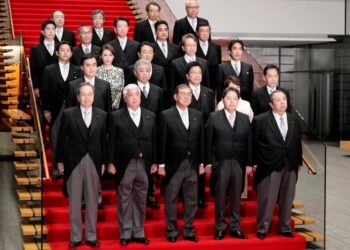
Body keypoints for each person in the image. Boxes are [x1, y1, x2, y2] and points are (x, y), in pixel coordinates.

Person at [56, 82, 107, 248]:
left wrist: (104, 162)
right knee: (75, 201)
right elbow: (61, 138)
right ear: (78, 97)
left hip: (94, 160)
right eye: (83, 94)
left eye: (90, 94)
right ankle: (75, 237)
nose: (87, 97)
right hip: (73, 161)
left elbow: (103, 141)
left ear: (94, 96)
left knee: (93, 200)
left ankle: (91, 236)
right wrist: (60, 161)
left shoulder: (102, 114)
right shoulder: (69, 114)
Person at [107, 84, 157, 246]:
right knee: (124, 199)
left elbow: (154, 141)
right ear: (124, 97)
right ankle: (125, 233)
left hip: (144, 163)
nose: (135, 97)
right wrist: (110, 162)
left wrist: (155, 161)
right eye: (131, 95)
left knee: (141, 199)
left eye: (137, 94)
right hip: (124, 163)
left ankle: (139, 231)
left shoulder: (150, 115)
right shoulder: (116, 116)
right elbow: (111, 142)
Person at [252, 90, 302, 240]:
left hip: (290, 164)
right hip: (268, 165)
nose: (282, 102)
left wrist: (298, 161)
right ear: (271, 104)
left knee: (287, 198)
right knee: (267, 199)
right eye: (278, 100)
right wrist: (253, 163)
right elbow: (253, 144)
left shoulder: (293, 119)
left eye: (284, 100)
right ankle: (262, 228)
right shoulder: (260, 120)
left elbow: (296, 142)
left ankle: (284, 227)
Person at [158, 84, 205, 243]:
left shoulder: (197, 115)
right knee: (171, 198)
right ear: (175, 96)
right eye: (183, 94)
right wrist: (161, 164)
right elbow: (162, 141)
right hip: (173, 164)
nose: (186, 97)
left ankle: (188, 229)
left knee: (191, 198)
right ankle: (171, 230)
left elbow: (202, 141)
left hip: (192, 163)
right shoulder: (166, 115)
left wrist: (202, 163)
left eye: (189, 94)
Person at [205, 87, 251, 240]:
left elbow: (249, 143)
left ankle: (235, 227)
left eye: (234, 99)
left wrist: (249, 163)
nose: (231, 101)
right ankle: (219, 227)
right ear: (222, 100)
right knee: (219, 197)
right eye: (228, 98)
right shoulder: (213, 117)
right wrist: (208, 163)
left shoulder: (244, 118)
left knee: (236, 197)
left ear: (238, 101)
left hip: (239, 162)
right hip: (220, 162)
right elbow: (208, 143)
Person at [186, 62, 214, 208]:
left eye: (199, 73)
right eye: (193, 72)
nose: (197, 75)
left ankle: (200, 197)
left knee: (201, 166)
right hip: (186, 136)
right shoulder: (183, 91)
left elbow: (210, 115)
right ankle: (186, 197)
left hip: (203, 136)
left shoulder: (208, 92)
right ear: (187, 76)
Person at [30, 20, 58, 99]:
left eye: (53, 29)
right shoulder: (35, 48)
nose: (51, 31)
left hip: (58, 85)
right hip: (42, 85)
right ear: (42, 32)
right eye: (48, 29)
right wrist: (36, 87)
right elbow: (33, 69)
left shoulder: (61, 47)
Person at [96, 44, 124, 111]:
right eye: (105, 55)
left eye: (110, 55)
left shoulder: (119, 71)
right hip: (99, 107)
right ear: (100, 56)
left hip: (115, 108)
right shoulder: (96, 70)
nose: (108, 58)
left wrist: (114, 106)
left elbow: (121, 90)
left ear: (113, 56)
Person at [196, 21, 221, 92]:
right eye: (202, 31)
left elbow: (218, 66)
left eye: (207, 31)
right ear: (197, 33)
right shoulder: (193, 46)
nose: (205, 33)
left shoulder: (216, 47)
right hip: (197, 82)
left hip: (212, 84)